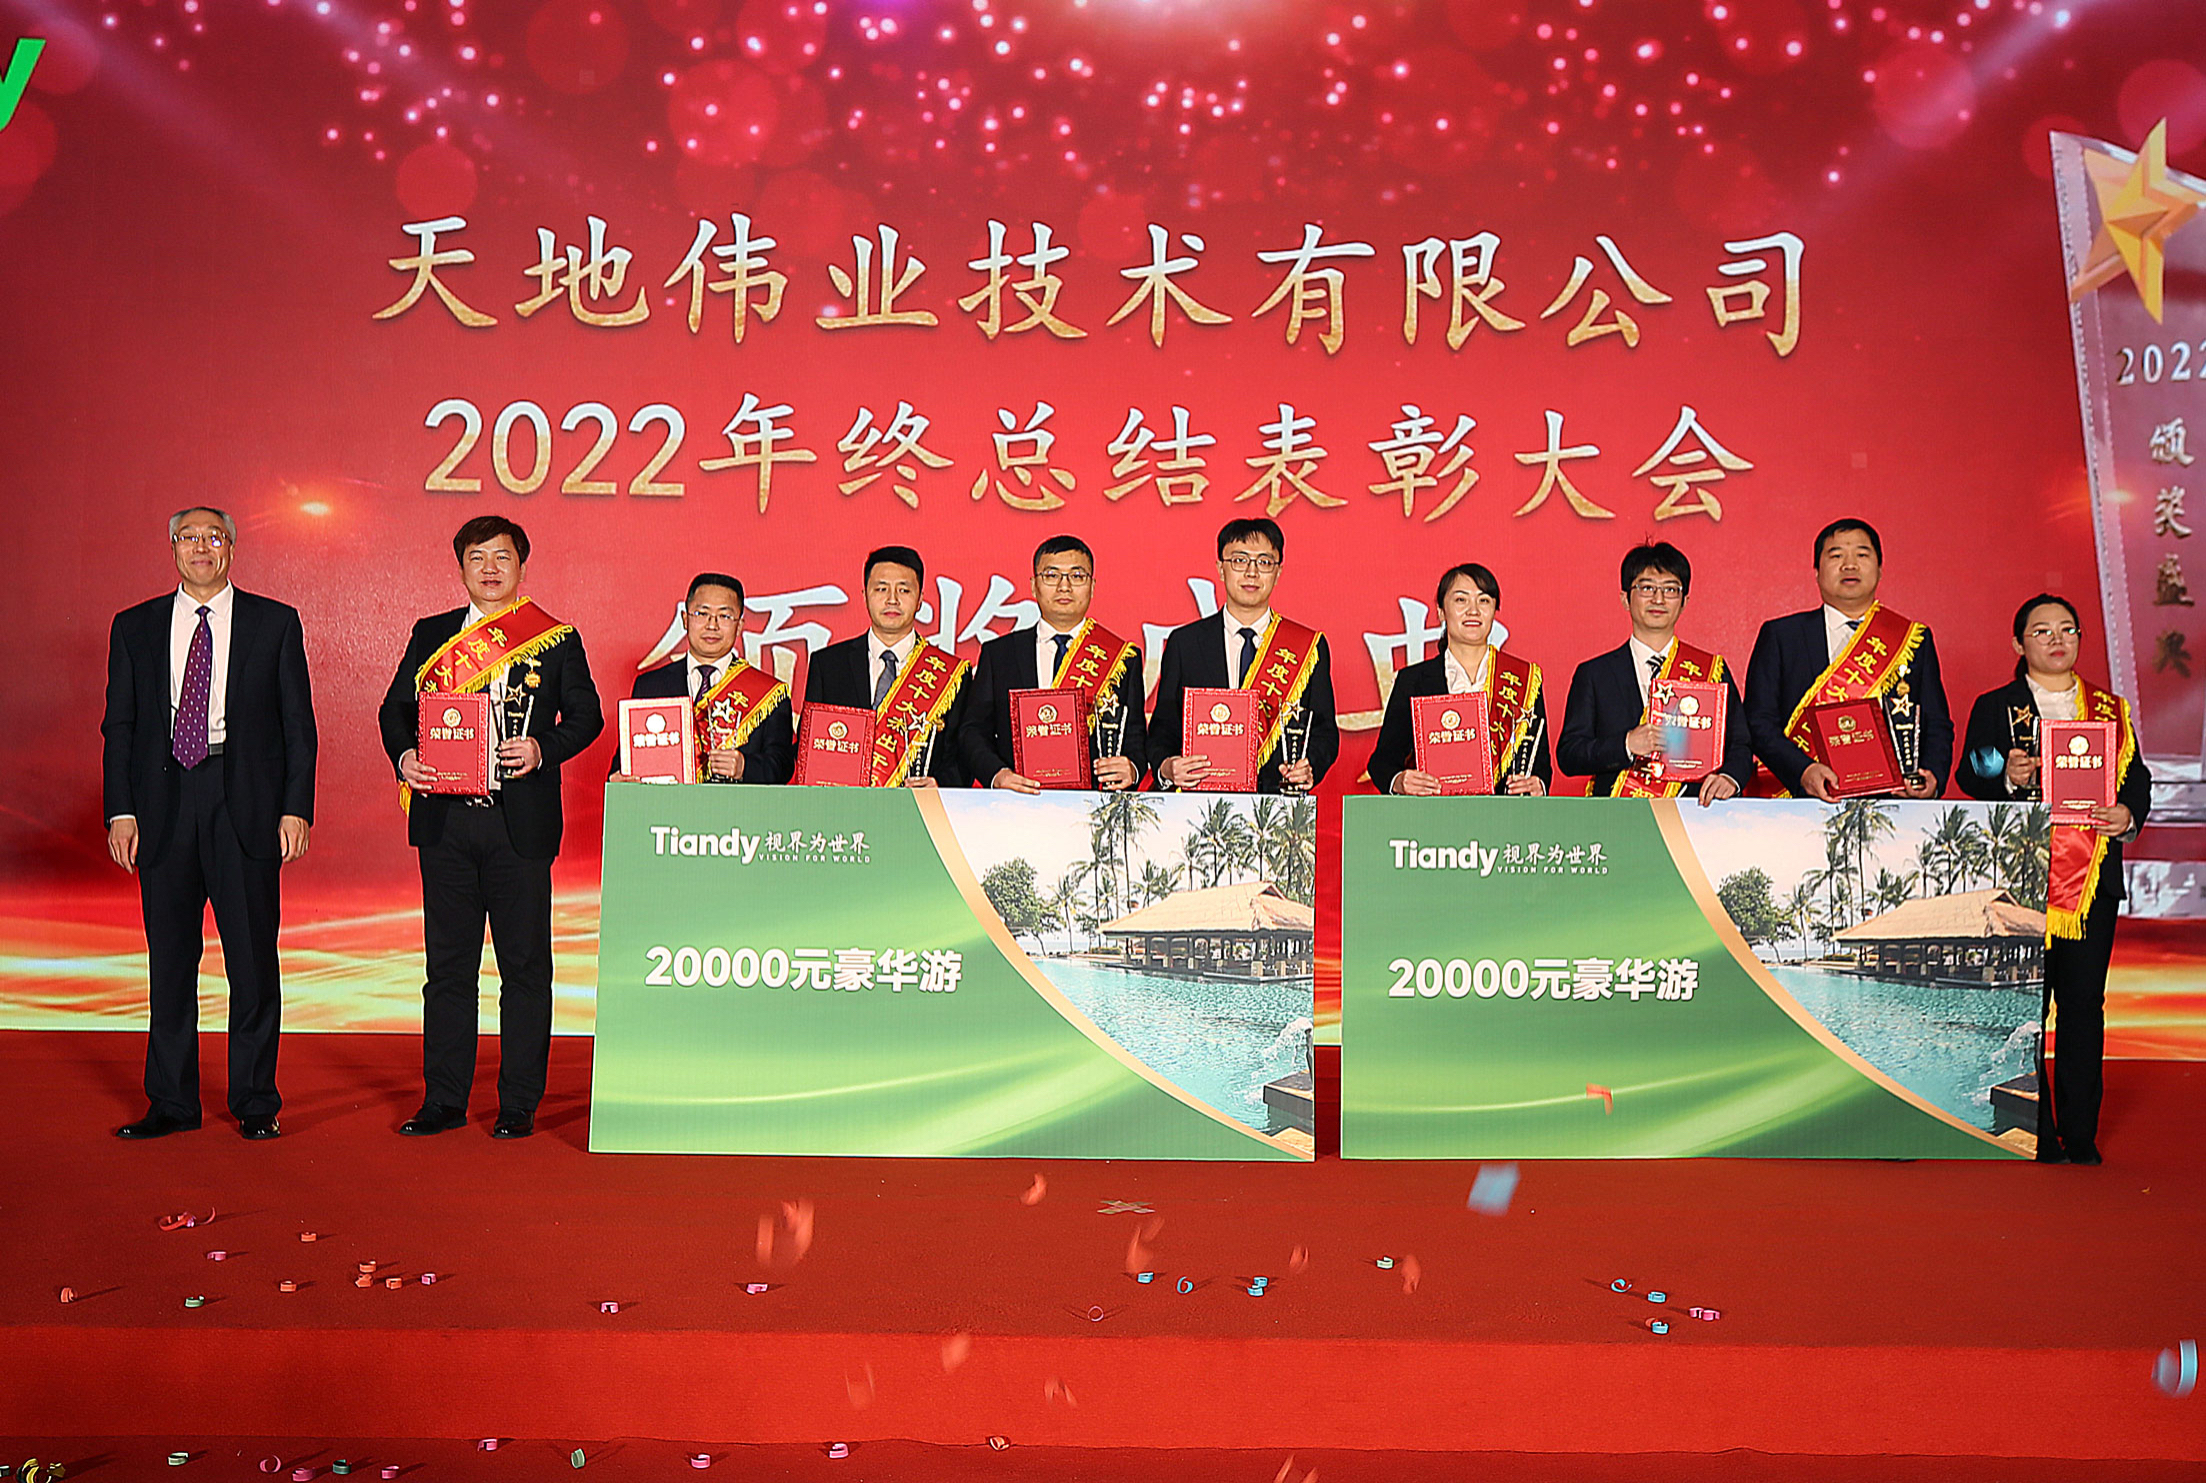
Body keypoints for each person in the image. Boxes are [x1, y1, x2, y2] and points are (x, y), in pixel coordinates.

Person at [378, 515, 603, 1140]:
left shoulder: (555, 639)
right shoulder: (432, 634)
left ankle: (518, 1103)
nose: (490, 569)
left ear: (521, 566)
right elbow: (394, 710)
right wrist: (405, 756)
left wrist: (542, 749)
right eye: (477, 558)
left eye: (502, 557)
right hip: (446, 824)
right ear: (461, 568)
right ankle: (443, 1100)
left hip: (518, 826)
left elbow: (587, 716)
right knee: (448, 970)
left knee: (524, 969)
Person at [102, 507, 316, 1140]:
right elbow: (120, 727)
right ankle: (171, 1103)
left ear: (231, 548)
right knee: (170, 961)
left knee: (252, 962)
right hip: (162, 803)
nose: (201, 547)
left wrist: (295, 808)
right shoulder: (134, 626)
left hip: (244, 803)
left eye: (213, 537)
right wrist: (121, 809)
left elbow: (299, 728)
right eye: (189, 537)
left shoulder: (274, 623)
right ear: (172, 548)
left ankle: (256, 1102)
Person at [1957, 594, 2151, 1165]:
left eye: (2067, 629)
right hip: (2026, 880)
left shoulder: (2110, 709)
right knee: (2027, 1008)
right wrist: (2007, 775)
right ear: (2019, 644)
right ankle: (2035, 1131)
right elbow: (1972, 772)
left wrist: (2127, 815)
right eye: (2041, 631)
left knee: (2084, 1005)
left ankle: (2081, 1133)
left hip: (2092, 881)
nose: (2056, 639)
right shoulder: (1997, 706)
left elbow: (2137, 780)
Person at [1744, 517, 1953, 800]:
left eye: (1862, 555)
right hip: (1802, 803)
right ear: (1817, 571)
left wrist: (1932, 777)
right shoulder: (1782, 636)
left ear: (1880, 569)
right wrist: (1803, 771)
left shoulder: (1912, 639)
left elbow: (1936, 723)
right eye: (1836, 555)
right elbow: (1759, 721)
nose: (1850, 565)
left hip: (1894, 804)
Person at [1148, 517, 1340, 793]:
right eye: (1239, 560)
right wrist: (1167, 766)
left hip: (1277, 801)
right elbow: (1163, 728)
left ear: (1278, 572)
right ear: (1221, 568)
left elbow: (1324, 732)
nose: (1252, 572)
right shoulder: (1185, 643)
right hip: (1198, 800)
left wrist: (1310, 767)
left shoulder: (1307, 647)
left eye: (1264, 562)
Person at [1557, 542, 1752, 804]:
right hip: (1619, 815)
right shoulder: (1595, 674)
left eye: (1670, 589)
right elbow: (1570, 754)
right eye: (1647, 588)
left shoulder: (1712, 670)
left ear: (1684, 602)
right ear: (1625, 599)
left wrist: (1730, 777)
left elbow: (1741, 744)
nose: (1658, 599)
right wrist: (1627, 744)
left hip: (1695, 813)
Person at [959, 535, 1147, 792]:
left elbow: (1135, 736)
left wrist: (1132, 768)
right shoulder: (999, 654)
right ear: (1034, 586)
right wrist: (998, 775)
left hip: (1094, 802)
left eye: (1077, 576)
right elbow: (973, 731)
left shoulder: (1122, 657)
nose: (1064, 586)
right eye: (1051, 575)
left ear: (1092, 586)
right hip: (1017, 800)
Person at [1367, 563, 1550, 796]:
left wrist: (1538, 785)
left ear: (1495, 610)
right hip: (1434, 813)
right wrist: (1399, 781)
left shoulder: (1521, 679)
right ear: (1441, 611)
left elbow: (1540, 764)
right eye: (1461, 600)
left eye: (1484, 601)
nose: (1473, 610)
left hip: (1506, 814)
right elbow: (1382, 762)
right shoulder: (1413, 681)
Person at [801, 546, 969, 786]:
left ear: (920, 599)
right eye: (881, 589)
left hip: (919, 805)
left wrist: (940, 783)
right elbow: (808, 747)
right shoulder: (828, 665)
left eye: (904, 590)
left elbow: (964, 754)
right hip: (845, 805)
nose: (892, 599)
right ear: (865, 595)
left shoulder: (951, 673)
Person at [617, 573, 793, 785]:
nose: (712, 625)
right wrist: (620, 778)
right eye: (702, 613)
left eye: (724, 616)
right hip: (669, 805)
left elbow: (783, 764)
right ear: (685, 619)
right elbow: (626, 761)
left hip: (738, 805)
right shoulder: (650, 686)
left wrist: (744, 767)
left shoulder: (769, 693)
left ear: (739, 626)